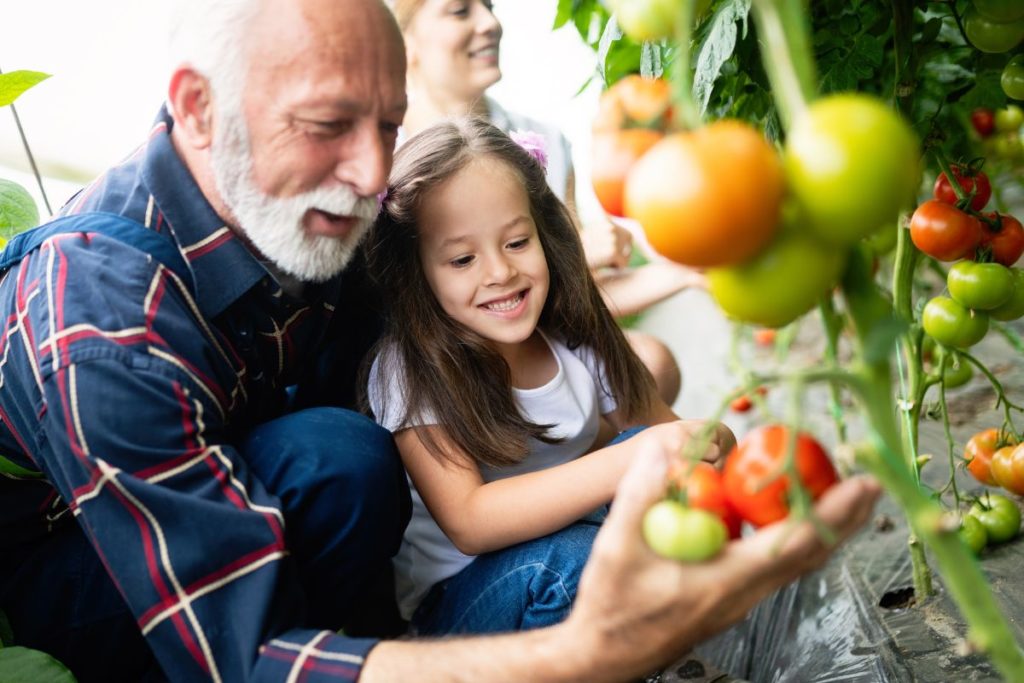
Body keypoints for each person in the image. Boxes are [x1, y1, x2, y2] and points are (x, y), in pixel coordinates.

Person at [0, 0, 880, 681]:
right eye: (328, 124)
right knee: (358, 468)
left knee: (336, 455)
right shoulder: (103, 321)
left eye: (387, 124)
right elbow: (245, 655)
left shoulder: (314, 208)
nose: (374, 172)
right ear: (198, 108)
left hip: (268, 491)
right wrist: (584, 652)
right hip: (98, 559)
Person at [363, 117, 733, 637]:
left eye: (516, 242)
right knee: (574, 560)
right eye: (463, 259)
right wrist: (632, 458)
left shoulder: (575, 337)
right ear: (416, 272)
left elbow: (669, 437)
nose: (499, 272)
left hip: (572, 554)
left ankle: (641, 648)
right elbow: (470, 520)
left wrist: (708, 442)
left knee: (658, 484)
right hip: (466, 607)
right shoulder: (411, 368)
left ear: (544, 232)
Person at [390, 0, 702, 405]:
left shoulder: (544, 142)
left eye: (490, 6)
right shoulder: (386, 160)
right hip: (449, 375)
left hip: (537, 354)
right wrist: (574, 254)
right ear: (404, 42)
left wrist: (684, 273)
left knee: (653, 363)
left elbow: (569, 300)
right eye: (460, 11)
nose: (490, 23)